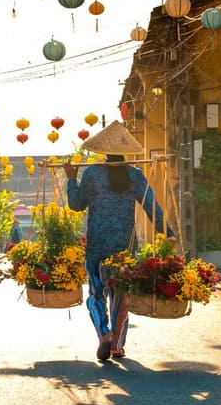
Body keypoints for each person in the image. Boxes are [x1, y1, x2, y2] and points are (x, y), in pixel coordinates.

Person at [64, 120, 174, 361]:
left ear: (103, 151)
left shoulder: (92, 173)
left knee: (95, 294)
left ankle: (103, 334)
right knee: (121, 293)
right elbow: (150, 206)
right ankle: (116, 345)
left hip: (96, 246)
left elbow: (76, 205)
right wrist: (168, 232)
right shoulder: (135, 175)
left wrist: (71, 179)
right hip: (124, 248)